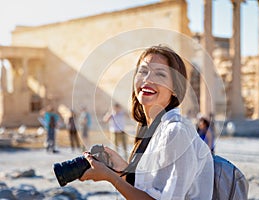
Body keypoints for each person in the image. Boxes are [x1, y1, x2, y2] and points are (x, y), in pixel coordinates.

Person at [80, 45, 214, 199]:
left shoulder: (175, 132)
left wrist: (112, 178)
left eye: (160, 74)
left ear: (176, 88)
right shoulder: (151, 129)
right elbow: (150, 189)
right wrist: (122, 170)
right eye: (143, 71)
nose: (148, 79)